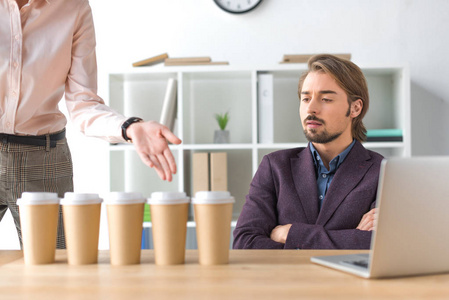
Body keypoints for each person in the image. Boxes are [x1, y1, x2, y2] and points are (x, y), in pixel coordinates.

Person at [0, 0, 181, 249]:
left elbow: (83, 102)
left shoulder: (73, 8)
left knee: (56, 273)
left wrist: (128, 127)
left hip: (43, 160)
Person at [233, 54, 383, 249]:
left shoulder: (382, 171)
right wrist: (349, 237)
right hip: (287, 280)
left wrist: (289, 234)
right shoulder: (274, 166)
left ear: (355, 108)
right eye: (305, 99)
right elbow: (245, 243)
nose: (311, 108)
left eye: (326, 99)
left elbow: (378, 245)